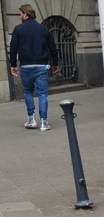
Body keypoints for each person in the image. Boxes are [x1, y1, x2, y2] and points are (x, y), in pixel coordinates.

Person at [9, 4, 59, 132]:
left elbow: (13, 49)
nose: (20, 16)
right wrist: (55, 64)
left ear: (25, 14)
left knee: (28, 92)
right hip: (42, 65)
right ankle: (44, 122)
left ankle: (31, 119)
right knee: (42, 94)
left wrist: (13, 65)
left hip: (26, 66)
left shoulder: (18, 29)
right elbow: (53, 48)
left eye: (20, 14)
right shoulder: (44, 29)